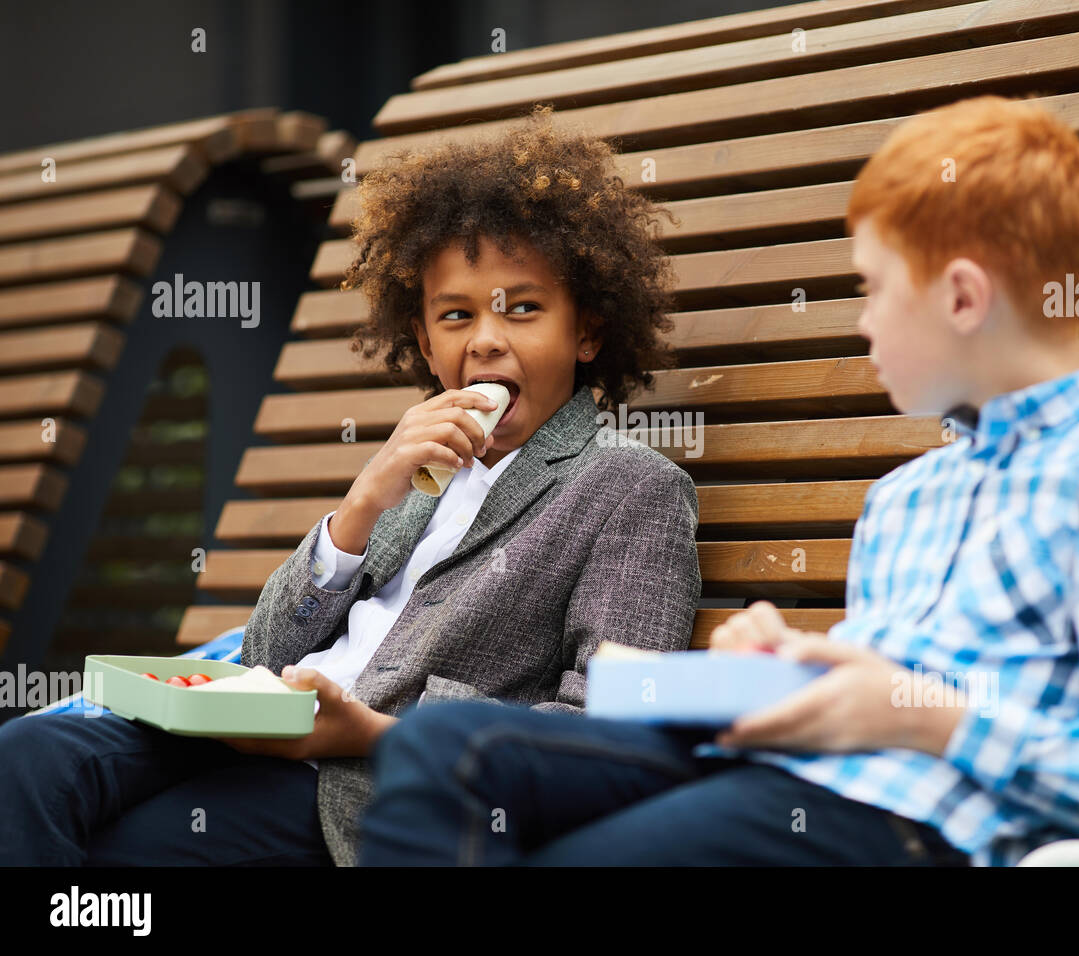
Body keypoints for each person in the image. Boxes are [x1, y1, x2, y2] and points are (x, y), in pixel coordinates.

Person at [355, 95, 1079, 867]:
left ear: (964, 298)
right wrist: (791, 671)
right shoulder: (911, 499)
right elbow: (869, 692)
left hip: (910, 822)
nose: (863, 325)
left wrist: (924, 718)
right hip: (785, 771)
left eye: (872, 290)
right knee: (443, 751)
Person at [0, 107, 701, 866]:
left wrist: (363, 730)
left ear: (587, 331)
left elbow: (605, 736)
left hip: (363, 785)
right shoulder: (423, 468)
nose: (487, 338)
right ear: (427, 343)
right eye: (455, 316)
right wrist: (359, 510)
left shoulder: (632, 488)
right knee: (26, 755)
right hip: (249, 734)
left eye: (523, 309)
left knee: (134, 851)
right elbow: (263, 652)